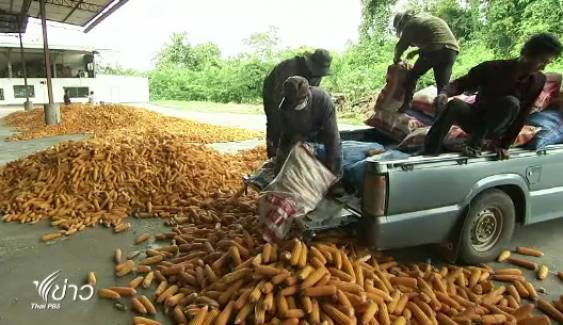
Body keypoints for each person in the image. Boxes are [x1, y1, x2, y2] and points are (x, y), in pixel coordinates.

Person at [425, 33, 562, 159]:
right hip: (475, 118)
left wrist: (504, 145)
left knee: (511, 102)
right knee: (455, 104)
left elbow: (523, 115)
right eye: (542, 61)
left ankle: (475, 144)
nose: (543, 67)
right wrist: (444, 94)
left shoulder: (538, 80)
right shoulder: (492, 68)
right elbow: (461, 83)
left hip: (496, 128)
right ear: (528, 53)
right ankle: (430, 150)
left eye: (547, 63)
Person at [263, 49, 332, 158]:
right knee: (275, 124)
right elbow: (281, 104)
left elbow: (310, 99)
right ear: (310, 63)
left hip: (296, 96)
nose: (317, 77)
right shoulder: (288, 69)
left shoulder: (316, 75)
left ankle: (295, 155)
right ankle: (274, 157)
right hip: (273, 93)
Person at [274, 76, 342, 177]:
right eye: (290, 101)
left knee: (333, 148)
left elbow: (332, 138)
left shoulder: (323, 100)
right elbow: (287, 133)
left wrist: (331, 170)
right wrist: (299, 144)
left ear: (304, 97)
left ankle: (335, 180)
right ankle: (279, 180)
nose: (292, 104)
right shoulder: (284, 108)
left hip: (320, 129)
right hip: (297, 131)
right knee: (282, 156)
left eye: (295, 102)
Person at [393, 12, 460, 112]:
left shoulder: (409, 25)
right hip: (451, 51)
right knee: (442, 87)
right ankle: (440, 116)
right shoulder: (426, 19)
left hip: (436, 49)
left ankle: (407, 105)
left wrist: (396, 59)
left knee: (412, 76)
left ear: (402, 23)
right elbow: (437, 39)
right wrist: (416, 52)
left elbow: (400, 46)